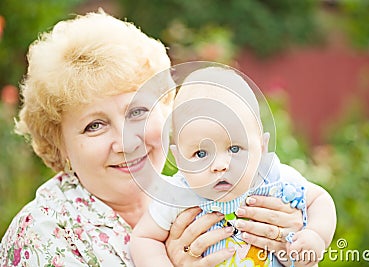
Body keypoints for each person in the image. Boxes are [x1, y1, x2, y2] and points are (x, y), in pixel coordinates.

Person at [0, 11, 332, 267]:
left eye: (137, 112)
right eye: (94, 126)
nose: (127, 142)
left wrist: (295, 237)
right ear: (61, 147)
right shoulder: (43, 233)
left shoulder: (203, 183)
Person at [131, 67, 336, 266]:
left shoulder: (272, 178)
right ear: (179, 160)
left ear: (262, 148)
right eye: (201, 154)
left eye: (235, 148)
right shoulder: (176, 196)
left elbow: (319, 199)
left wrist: (315, 235)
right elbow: (145, 239)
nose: (220, 165)